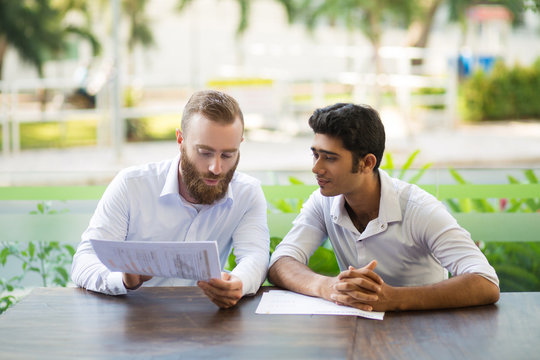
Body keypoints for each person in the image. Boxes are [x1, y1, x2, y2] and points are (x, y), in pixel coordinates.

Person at [268, 103, 500, 312]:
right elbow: (281, 262)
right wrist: (328, 286)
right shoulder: (323, 201)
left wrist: (393, 298)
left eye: (330, 158)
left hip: (427, 334)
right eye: (315, 155)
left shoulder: (419, 209)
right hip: (357, 332)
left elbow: (485, 282)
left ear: (367, 163)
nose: (316, 168)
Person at [71, 90, 270, 308]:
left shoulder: (247, 193)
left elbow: (254, 256)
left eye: (228, 155)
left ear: (240, 144)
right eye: (205, 152)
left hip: (206, 324)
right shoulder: (132, 185)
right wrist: (123, 279)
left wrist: (239, 282)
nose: (216, 168)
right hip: (132, 320)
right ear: (180, 140)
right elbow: (84, 262)